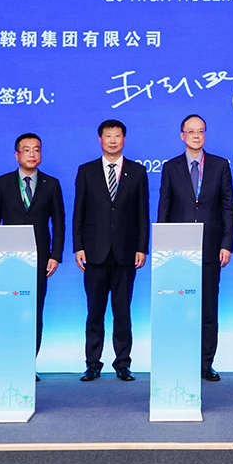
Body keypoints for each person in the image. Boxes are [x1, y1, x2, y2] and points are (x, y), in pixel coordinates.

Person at [158, 115, 233, 381]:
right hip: (178, 250)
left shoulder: (220, 165)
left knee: (208, 308)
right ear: (182, 135)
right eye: (190, 131)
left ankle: (205, 363)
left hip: (211, 248)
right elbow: (164, 210)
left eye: (200, 131)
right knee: (179, 307)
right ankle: (181, 358)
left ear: (205, 134)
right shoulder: (171, 167)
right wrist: (164, 249)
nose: (195, 135)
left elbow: (228, 207)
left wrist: (227, 244)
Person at [73, 119, 149, 382]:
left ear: (124, 139)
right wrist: (78, 247)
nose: (113, 140)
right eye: (108, 136)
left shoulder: (138, 172)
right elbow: (78, 213)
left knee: (122, 311)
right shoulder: (87, 171)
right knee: (94, 311)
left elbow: (142, 214)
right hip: (94, 253)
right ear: (100, 140)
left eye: (118, 136)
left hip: (126, 254)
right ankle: (93, 363)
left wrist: (142, 248)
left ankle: (123, 364)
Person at [0, 133, 65, 378]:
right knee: (8, 311)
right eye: (27, 150)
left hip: (40, 260)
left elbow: (59, 223)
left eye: (37, 150)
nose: (32, 154)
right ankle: (8, 361)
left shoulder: (51, 184)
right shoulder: (2, 183)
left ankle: (27, 364)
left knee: (33, 311)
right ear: (17, 155)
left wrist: (56, 255)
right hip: (8, 260)